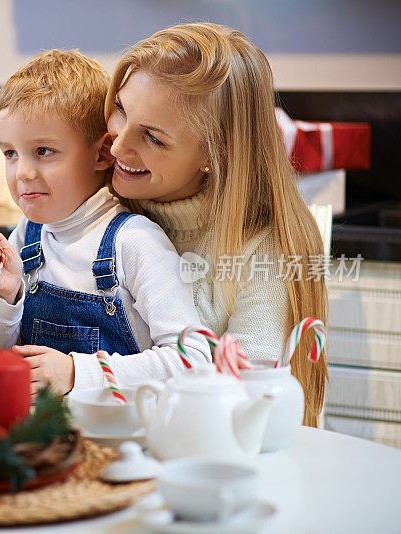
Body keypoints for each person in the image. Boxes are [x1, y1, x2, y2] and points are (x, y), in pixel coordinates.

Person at [105, 23, 328, 426]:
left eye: (153, 137)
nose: (118, 145)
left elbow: (245, 403)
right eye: (120, 109)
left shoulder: (266, 251)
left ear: (215, 152)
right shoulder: (97, 210)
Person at [0, 50, 211, 396]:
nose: (22, 173)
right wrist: (7, 298)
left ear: (101, 154)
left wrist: (76, 372)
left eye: (43, 151)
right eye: (10, 153)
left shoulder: (134, 241)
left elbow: (194, 359)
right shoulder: (27, 235)